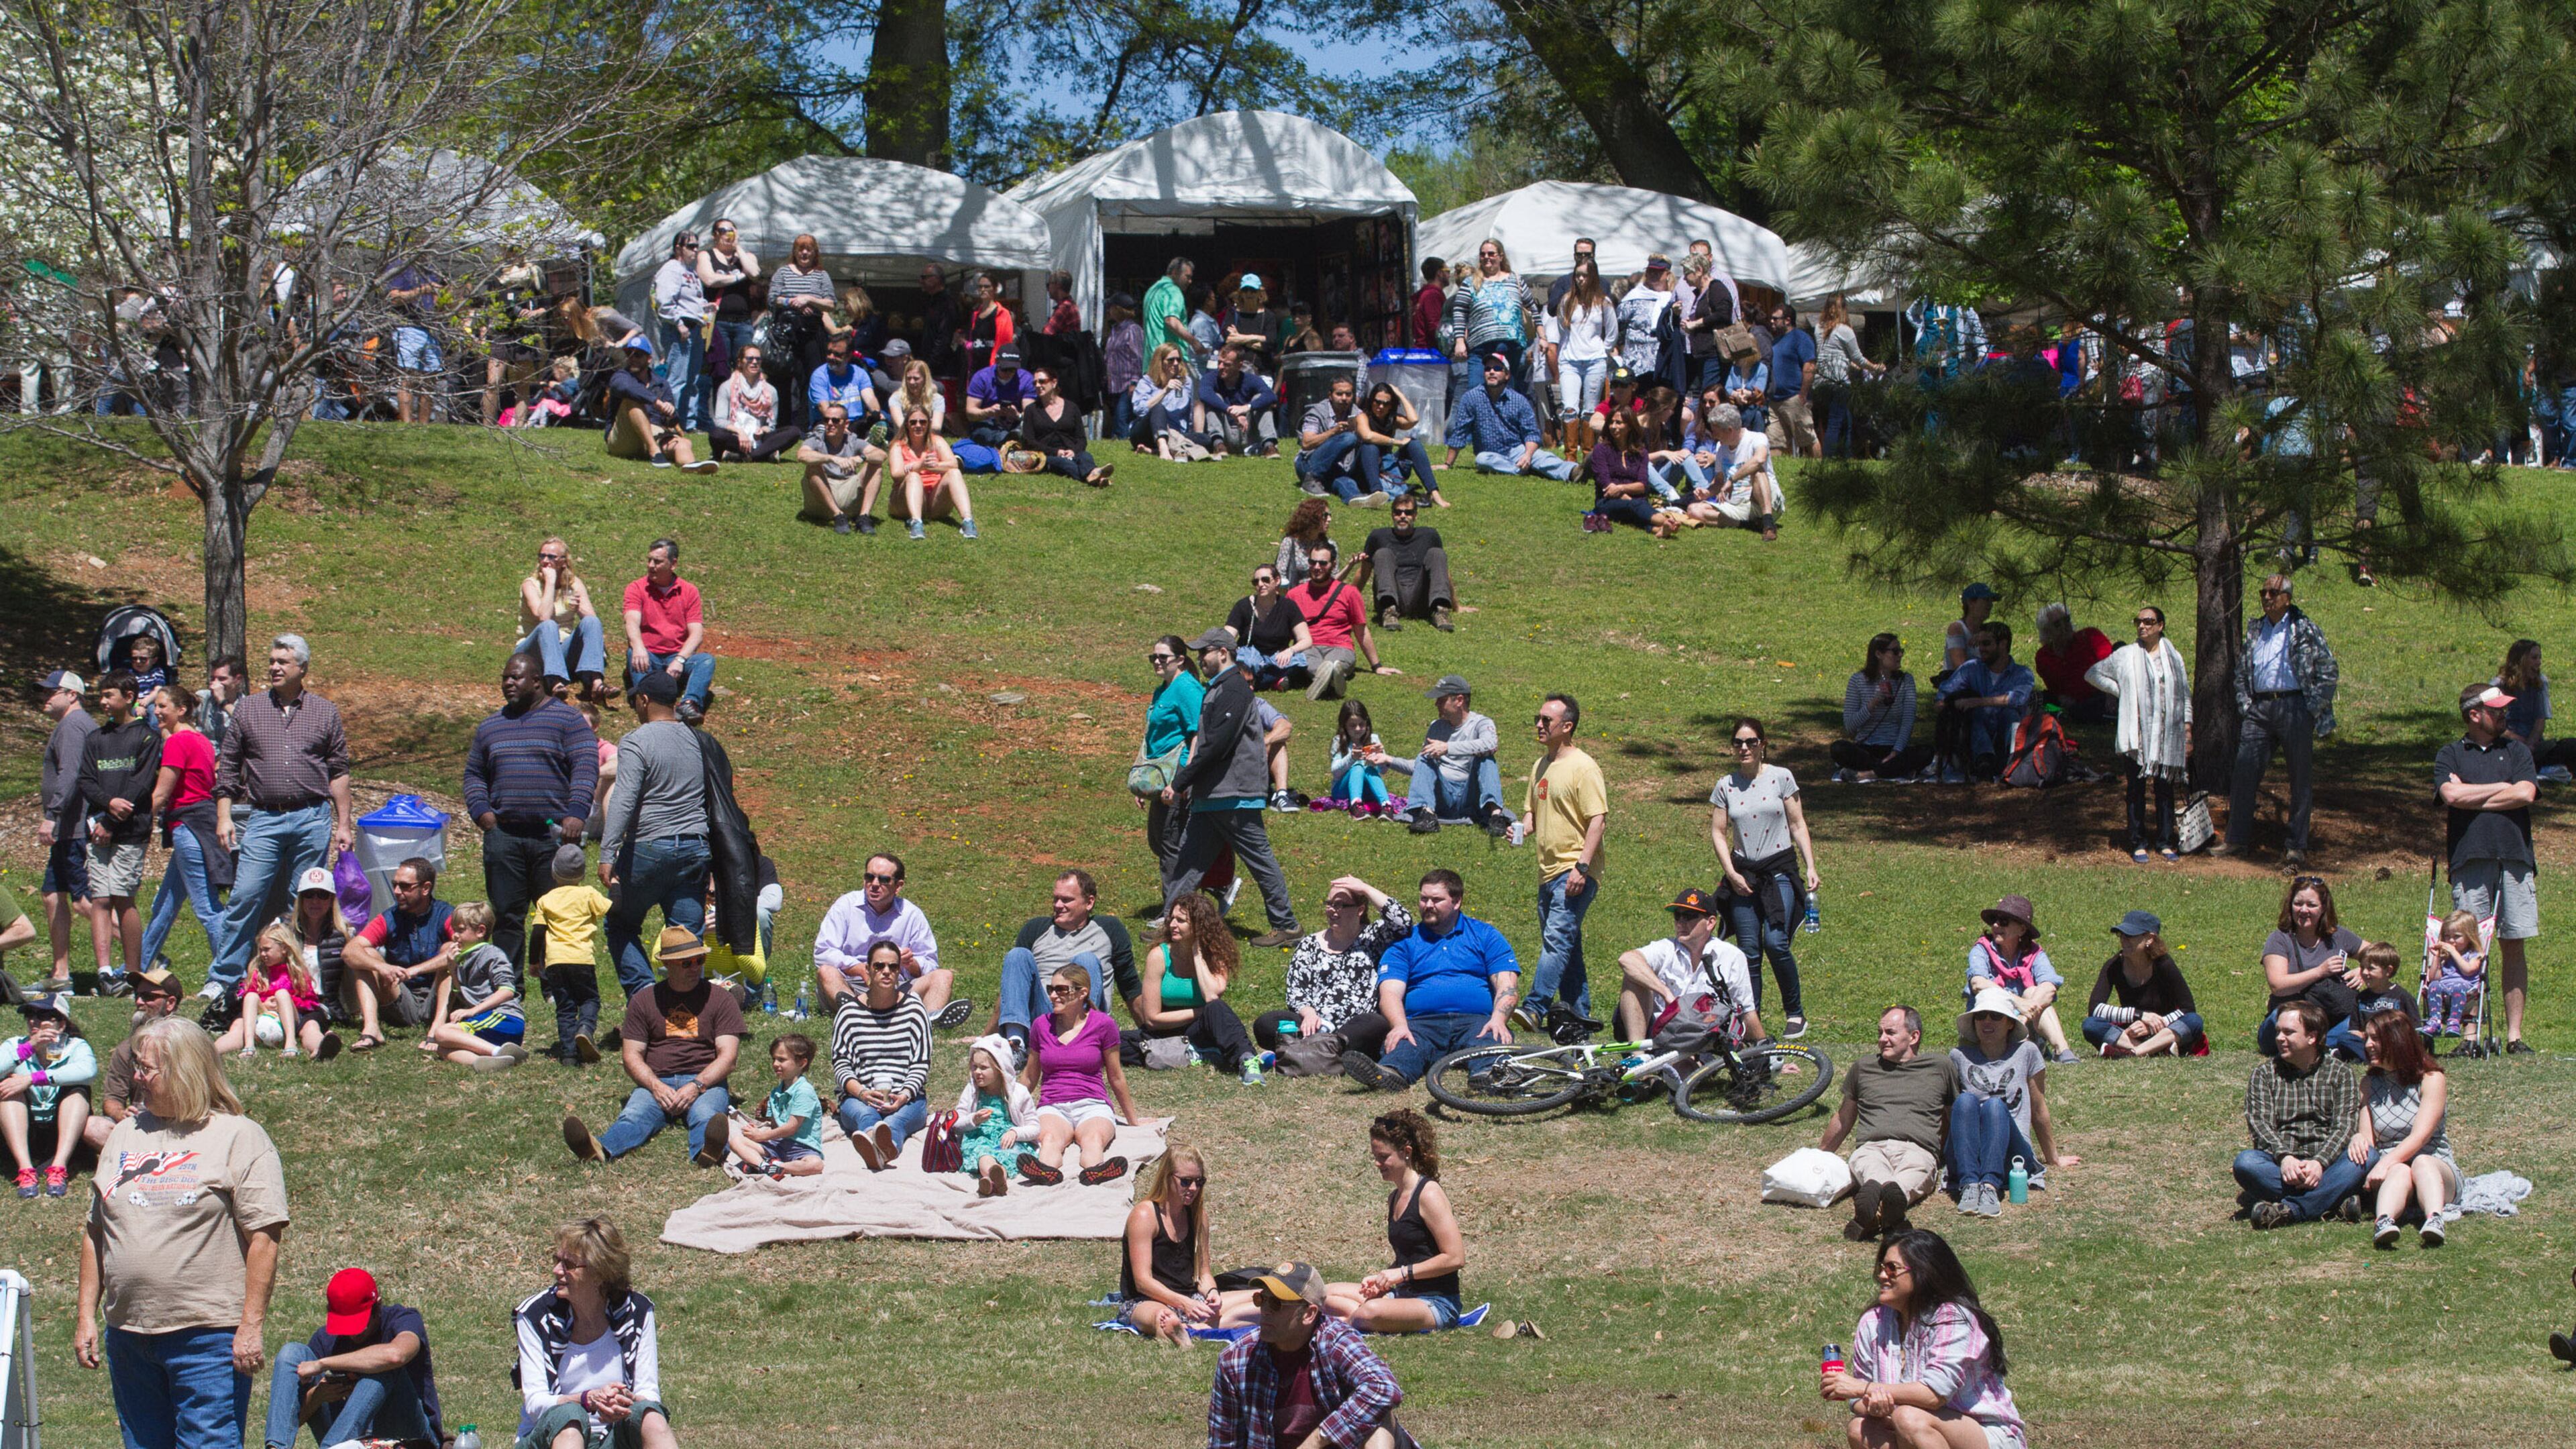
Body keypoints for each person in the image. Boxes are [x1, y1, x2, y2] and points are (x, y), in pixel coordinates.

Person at [75, 1017, 290, 1449]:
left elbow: (264, 1239)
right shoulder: (125, 1134)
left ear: (184, 1071)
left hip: (207, 1336)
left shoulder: (239, 1137)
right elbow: (96, 1231)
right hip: (128, 1334)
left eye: (146, 1069)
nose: (136, 1078)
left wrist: (250, 1327)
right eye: (136, 1066)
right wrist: (85, 1316)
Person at [210, 635, 354, 1004]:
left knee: (303, 902)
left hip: (312, 816)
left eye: (283, 662)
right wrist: (224, 816)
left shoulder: (324, 711)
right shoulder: (249, 709)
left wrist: (343, 824)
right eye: (272, 661)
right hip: (264, 818)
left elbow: (338, 771)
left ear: (302, 668)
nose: (274, 667)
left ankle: (297, 977)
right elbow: (228, 767)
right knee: (245, 895)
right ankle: (224, 977)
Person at [1821, 1230, 2027, 1449]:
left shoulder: (1953, 1317)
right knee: (1861, 1429)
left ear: (1922, 1272)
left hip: (1983, 1431)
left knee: (1908, 1418)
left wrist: (1864, 1388)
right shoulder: (1873, 1322)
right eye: (1881, 1267)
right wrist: (1874, 1405)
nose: (1882, 1275)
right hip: (1913, 1426)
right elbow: (1856, 1399)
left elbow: (1933, 1395)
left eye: (1892, 1268)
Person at [1159, 630, 1301, 948]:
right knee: (1187, 863)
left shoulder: (1234, 689)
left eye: (1205, 652)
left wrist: (1180, 782)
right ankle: (1171, 923)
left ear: (1223, 653)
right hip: (1213, 796)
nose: (1200, 659)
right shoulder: (1218, 688)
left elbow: (1217, 746)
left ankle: (1287, 926)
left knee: (1260, 861)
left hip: (1235, 796)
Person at [561, 926, 739, 1167]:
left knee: (706, 1115)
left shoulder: (721, 999)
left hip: (705, 1081)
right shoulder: (643, 1001)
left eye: (700, 960)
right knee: (634, 1117)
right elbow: (631, 1056)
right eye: (687, 963)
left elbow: (728, 1057)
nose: (695, 967)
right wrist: (655, 1086)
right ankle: (599, 1149)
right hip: (657, 1080)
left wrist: (697, 1085)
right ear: (667, 964)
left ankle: (708, 1152)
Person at [468, 653, 599, 974]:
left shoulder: (567, 720)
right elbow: (474, 774)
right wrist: (483, 814)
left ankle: (557, 984)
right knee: (506, 916)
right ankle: (508, 984)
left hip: (552, 837)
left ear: (537, 681)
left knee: (557, 916)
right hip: (504, 836)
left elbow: (585, 766)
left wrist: (576, 812)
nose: (508, 683)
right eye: (505, 678)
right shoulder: (491, 726)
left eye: (516, 677)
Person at [1344, 869, 1518, 1090]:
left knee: (1491, 1040)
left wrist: (1499, 1020)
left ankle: (1490, 1075)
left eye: (1436, 900)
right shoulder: (1405, 943)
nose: (1428, 905)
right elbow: (1389, 993)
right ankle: (1390, 1074)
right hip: (1423, 1023)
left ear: (1457, 902)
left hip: (1476, 1021)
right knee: (1405, 1043)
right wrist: (1399, 1026)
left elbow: (1507, 985)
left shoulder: (1485, 935)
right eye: (1423, 898)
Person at [2436, 681, 2539, 1053]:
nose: (2504, 714)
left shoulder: (2517, 750)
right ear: (2474, 715)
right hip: (2470, 858)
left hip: (2514, 859)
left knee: (2514, 944)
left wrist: (2472, 795)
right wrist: (2502, 787)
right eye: (2497, 711)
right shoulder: (2451, 754)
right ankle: (2469, 1037)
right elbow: (2450, 795)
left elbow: (2526, 792)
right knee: (2466, 947)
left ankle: (2514, 1036)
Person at [511, 1217, 675, 1449]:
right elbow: (535, 1404)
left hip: (613, 1438)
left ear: (600, 1272)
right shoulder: (535, 1315)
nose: (556, 1270)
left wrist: (620, 1402)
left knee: (652, 1418)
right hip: (549, 1438)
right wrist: (586, 1400)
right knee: (569, 1418)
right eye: (557, 1260)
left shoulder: (636, 1311)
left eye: (569, 1264)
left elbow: (648, 1393)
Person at [1212, 1262, 1414, 1449]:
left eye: (1276, 1304)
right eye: (1261, 1299)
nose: (1265, 1310)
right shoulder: (1235, 1360)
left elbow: (1383, 1388)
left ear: (1309, 1314)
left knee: (1379, 1419)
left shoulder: (1335, 1341)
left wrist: (1316, 1441)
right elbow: (1225, 1443)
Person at [600, 672, 710, 1002]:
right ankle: (685, 1011)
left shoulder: (637, 740)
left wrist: (607, 852)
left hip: (648, 846)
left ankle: (646, 998)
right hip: (695, 847)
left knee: (620, 924)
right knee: (686, 939)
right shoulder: (696, 739)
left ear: (644, 700)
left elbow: (624, 797)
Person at [2218, 574, 2339, 865]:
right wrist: (2246, 704)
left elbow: (2328, 669)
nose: (2267, 598)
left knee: (2300, 779)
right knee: (2244, 774)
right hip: (2259, 709)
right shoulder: (2256, 629)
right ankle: (2236, 840)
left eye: (2273, 593)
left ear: (2287, 598)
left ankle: (2296, 845)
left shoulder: (2305, 628)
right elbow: (2242, 671)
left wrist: (2312, 707)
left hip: (2294, 706)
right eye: (2263, 593)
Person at [1314, 1109, 1466, 1333]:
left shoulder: (1429, 1194)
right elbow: (1414, 1254)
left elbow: (1455, 1258)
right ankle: (1348, 1317)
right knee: (1321, 1293)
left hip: (1437, 1303)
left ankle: (1342, 1322)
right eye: (1375, 1157)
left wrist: (1401, 1274)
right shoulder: (1394, 1197)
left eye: (1384, 1157)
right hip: (1403, 1294)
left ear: (1406, 1152)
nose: (1377, 1163)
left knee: (1368, 1312)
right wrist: (1380, 1281)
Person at [1713, 717, 1817, 1038]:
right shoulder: (1725, 785)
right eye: (1738, 743)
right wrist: (1731, 874)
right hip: (1743, 873)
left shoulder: (1781, 778)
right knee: (1749, 951)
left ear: (1763, 744)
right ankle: (1751, 1022)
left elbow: (1798, 824)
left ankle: (1795, 1013)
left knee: (1775, 942)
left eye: (1751, 742)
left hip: (1779, 870)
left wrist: (1810, 866)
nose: (1744, 748)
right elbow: (1718, 833)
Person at [264, 1267, 443, 1449]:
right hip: (349, 1438)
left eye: (359, 1323)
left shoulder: (404, 1319)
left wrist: (322, 1364)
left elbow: (397, 1355)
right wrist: (318, 1396)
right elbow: (294, 1420)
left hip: (410, 1437)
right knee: (291, 1353)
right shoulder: (325, 1340)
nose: (353, 1334)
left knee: (383, 1366)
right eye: (346, 1325)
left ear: (378, 1305)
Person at [1819, 1006, 1957, 1240]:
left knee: (1913, 1172)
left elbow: (1954, 1116)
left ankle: (1876, 1212)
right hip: (1872, 1147)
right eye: (1880, 1033)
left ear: (1914, 1037)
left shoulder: (1940, 1067)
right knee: (1872, 1172)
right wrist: (1820, 1156)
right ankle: (1891, 1209)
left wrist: (1962, 1165)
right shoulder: (1864, 1067)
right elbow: (1844, 1117)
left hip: (1919, 1149)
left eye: (1890, 1032)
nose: (1882, 1039)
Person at [2237, 1000, 2370, 1228]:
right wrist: (2285, 1157)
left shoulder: (2340, 1073)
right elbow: (2260, 1124)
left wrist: (2320, 1162)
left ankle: (2290, 1210)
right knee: (2246, 1163)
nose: (2279, 1038)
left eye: (2288, 1032)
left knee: (2369, 1158)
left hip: (2329, 1164)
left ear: (2312, 1037)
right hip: (2281, 1165)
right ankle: (2333, 1200)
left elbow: (2345, 1126)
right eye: (2278, 1032)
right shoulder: (2264, 1074)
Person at [1947, 987, 2076, 1218]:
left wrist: (2053, 1158)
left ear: (2009, 1023)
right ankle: (1969, 1185)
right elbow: (1952, 1112)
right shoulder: (1958, 1056)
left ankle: (1989, 1186)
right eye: (1981, 1016)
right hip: (1970, 1153)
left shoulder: (2027, 1052)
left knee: (1995, 1106)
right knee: (1965, 1101)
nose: (1987, 1021)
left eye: (1996, 1016)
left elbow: (2038, 1107)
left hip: (2012, 1152)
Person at [64, 670, 158, 983]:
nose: (103, 701)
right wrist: (106, 807)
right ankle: (104, 971)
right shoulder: (96, 738)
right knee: (100, 898)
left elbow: (141, 784)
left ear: (129, 697)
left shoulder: (147, 737)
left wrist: (112, 820)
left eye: (109, 695)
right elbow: (86, 780)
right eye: (101, 696)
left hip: (130, 830)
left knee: (122, 897)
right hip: (98, 831)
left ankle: (132, 972)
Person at [1254, 876, 1410, 1063]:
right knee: (1265, 1023)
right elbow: (1296, 992)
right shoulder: (1310, 944)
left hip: (1354, 1027)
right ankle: (1326, 1053)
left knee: (1376, 1024)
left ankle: (1305, 1051)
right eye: (1329, 904)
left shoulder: (1374, 936)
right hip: (1313, 1025)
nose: (1332, 910)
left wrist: (1365, 889)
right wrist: (1309, 1014)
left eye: (1341, 905)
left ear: (1360, 910)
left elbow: (1403, 922)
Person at [1020, 961, 1142, 1186]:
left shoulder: (1103, 1025)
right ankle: (1045, 1172)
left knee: (1093, 1140)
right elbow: (1029, 1076)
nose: (1053, 996)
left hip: (1093, 1104)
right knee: (1050, 1140)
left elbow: (1116, 1076)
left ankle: (1095, 1172)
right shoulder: (1041, 1025)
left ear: (1082, 993)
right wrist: (1011, 1110)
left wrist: (1133, 1121)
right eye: (1051, 989)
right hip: (1053, 1105)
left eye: (1061, 990)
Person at [2086, 605, 2192, 862]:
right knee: (2136, 788)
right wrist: (2122, 690)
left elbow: (2184, 694)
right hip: (2138, 734)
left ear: (2160, 626)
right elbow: (2093, 674)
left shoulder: (2174, 657)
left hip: (2167, 734)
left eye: (2148, 621)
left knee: (2165, 787)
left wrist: (2188, 728)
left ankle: (2165, 841)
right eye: (2139, 621)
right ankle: (2137, 842)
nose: (2142, 626)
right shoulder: (2126, 655)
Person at [136, 684, 226, 982]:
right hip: (199, 825)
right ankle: (137, 969)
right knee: (164, 906)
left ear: (182, 710)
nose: (157, 711)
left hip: (188, 827)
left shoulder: (177, 742)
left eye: (163, 706)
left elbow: (161, 794)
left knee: (207, 909)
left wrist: (132, 825)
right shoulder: (201, 741)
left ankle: (228, 976)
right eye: (156, 706)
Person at [1124, 890, 1265, 1083]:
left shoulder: (1216, 955)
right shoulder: (1159, 956)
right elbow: (1152, 1019)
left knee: (1216, 1008)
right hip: (1165, 1029)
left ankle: (1247, 1060)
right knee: (1115, 1043)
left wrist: (1197, 952)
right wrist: (1199, 1012)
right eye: (1172, 919)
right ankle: (1198, 1052)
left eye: (1181, 921)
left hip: (1201, 1029)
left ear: (1199, 926)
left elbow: (1212, 996)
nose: (1172, 925)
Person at [1120, 1142, 1256, 1340]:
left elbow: (1204, 1274)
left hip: (1192, 1300)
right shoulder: (1144, 1215)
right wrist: (1183, 1303)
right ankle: (1187, 1328)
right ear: (1167, 1178)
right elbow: (1142, 1282)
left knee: (1263, 1297)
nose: (1193, 1188)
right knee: (1162, 1317)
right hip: (1148, 1301)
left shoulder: (1199, 1217)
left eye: (1199, 1182)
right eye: (1186, 1182)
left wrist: (1213, 1293)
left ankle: (1195, 1327)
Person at [812, 851, 967, 1023]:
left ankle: (929, 1021)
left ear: (898, 886)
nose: (874, 884)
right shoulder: (845, 906)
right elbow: (823, 952)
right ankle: (855, 1014)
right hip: (852, 985)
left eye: (884, 880)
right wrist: (860, 969)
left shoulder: (911, 915)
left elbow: (931, 964)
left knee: (943, 976)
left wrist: (910, 963)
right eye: (869, 877)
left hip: (896, 989)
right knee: (827, 972)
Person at [815, 941, 932, 1167]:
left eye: (893, 967)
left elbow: (921, 1063)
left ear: (899, 972)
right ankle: (874, 1143)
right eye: (879, 966)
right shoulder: (849, 1013)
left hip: (907, 1098)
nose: (886, 972)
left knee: (895, 1123)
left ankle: (883, 1150)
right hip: (860, 1097)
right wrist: (862, 1093)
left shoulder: (915, 1010)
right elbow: (841, 1065)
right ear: (867, 970)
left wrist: (904, 1095)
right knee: (866, 1116)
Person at [2355, 1010, 2459, 1248]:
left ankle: (2435, 1219)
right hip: (2391, 1173)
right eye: (2367, 1039)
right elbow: (2368, 1139)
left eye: (2376, 1039)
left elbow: (2421, 1137)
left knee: (2421, 1162)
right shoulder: (2369, 1084)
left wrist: (2385, 1163)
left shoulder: (2431, 1079)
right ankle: (2384, 1221)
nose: (2368, 1045)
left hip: (2435, 1164)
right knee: (2400, 1170)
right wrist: (2358, 1140)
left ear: (2397, 1040)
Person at [1615, 888, 1760, 1043]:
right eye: (1677, 916)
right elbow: (1627, 959)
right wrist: (1665, 993)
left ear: (1710, 923)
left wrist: (1764, 1048)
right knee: (1634, 978)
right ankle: (1638, 1053)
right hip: (1656, 1032)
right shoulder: (1666, 948)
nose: (1681, 923)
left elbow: (1746, 1012)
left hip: (1699, 1039)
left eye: (1689, 916)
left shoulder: (1731, 956)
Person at [37, 669, 99, 993]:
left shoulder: (74, 725)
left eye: (52, 691)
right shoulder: (70, 725)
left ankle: (147, 956)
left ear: (72, 695)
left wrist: (53, 814)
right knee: (52, 895)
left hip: (73, 828)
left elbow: (71, 773)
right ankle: (61, 974)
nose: (45, 697)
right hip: (65, 830)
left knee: (85, 902)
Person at [2258, 875, 2366, 1057]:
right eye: (2298, 904)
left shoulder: (2338, 935)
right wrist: (2320, 971)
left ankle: (2322, 1045)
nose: (2303, 910)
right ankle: (2327, 1046)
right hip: (2289, 1017)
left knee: (2365, 1013)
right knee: (2286, 1018)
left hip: (2330, 1018)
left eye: (2311, 905)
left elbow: (2381, 955)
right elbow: (2278, 986)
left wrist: (2363, 970)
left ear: (2323, 908)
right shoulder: (2279, 939)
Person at [1962, 894, 2076, 1061]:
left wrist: (2024, 1016)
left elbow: (2050, 987)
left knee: (2033, 992)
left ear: (2022, 929)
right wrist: (2017, 1002)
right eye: (1994, 921)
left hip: (2023, 1026)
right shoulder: (1981, 950)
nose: (1996, 925)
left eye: (2004, 921)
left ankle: (2062, 1050)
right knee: (1994, 996)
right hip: (1990, 1027)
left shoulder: (2035, 953)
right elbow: (1978, 983)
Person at [80, 966, 182, 1153]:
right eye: (137, 995)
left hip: (180, 1125)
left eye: (148, 997)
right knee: (92, 1126)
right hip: (140, 1124)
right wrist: (121, 1113)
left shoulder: (189, 1047)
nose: (139, 1002)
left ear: (170, 1003)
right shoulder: (126, 1049)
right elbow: (112, 1099)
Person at [1, 991, 94, 1196]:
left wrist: (33, 1078)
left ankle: (58, 1167)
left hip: (61, 1129)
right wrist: (29, 1048)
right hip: (24, 1128)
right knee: (8, 1090)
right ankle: (25, 1170)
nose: (34, 1021)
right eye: (30, 1015)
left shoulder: (75, 1047)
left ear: (61, 1025)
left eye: (43, 1015)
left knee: (77, 1091)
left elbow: (89, 1071)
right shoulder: (15, 1045)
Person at [1397, 676, 1510, 837]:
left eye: (1441, 700)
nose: (1436, 704)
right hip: (1444, 795)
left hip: (1470, 794)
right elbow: (1421, 768)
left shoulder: (1481, 723)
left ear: (1459, 700)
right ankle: (1427, 815)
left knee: (1487, 758)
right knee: (1425, 757)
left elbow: (1491, 744)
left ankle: (1496, 816)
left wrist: (1448, 748)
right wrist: (1389, 761)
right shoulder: (1436, 727)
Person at [417, 901, 526, 1069]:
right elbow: (462, 993)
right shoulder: (464, 957)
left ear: (480, 931)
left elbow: (507, 991)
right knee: (442, 1047)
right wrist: (452, 967)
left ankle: (498, 1052)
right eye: (454, 930)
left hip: (504, 1017)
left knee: (442, 1032)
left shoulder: (491, 954)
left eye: (460, 930)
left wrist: (472, 1011)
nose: (455, 935)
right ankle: (487, 1062)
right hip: (485, 1023)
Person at [533, 844, 615, 1064]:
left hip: (555, 962)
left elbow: (538, 933)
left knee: (565, 1007)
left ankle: (569, 1055)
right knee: (590, 998)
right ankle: (585, 1028)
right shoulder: (588, 894)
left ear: (553, 872)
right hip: (582, 959)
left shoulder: (546, 899)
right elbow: (613, 910)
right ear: (582, 874)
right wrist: (615, 886)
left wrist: (534, 963)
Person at [214, 922, 343, 1061]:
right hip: (261, 1015)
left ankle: (312, 1047)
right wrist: (265, 1004)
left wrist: (285, 1003)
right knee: (243, 1014)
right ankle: (219, 1050)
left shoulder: (296, 972)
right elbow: (248, 995)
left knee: (308, 1025)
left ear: (284, 949)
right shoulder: (258, 971)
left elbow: (309, 1001)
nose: (262, 954)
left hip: (293, 1018)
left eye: (267, 950)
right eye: (260, 950)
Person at [1138, 640, 1208, 892]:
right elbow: (1153, 737)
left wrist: (1185, 778)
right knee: (1158, 839)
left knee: (1170, 840)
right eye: (1153, 657)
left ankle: (1174, 906)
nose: (1157, 661)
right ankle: (1214, 885)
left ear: (1180, 660)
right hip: (1159, 772)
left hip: (1177, 770)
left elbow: (1198, 733)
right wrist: (1144, 781)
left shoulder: (1187, 688)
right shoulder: (1163, 690)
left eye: (1163, 657)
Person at [2084, 912, 2202, 1057]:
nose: (2123, 940)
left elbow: (2188, 1009)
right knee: (2091, 1025)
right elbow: (2095, 1009)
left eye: (2130, 935)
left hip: (2165, 1031)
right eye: (2121, 935)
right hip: (2132, 1032)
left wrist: (2152, 1027)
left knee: (2194, 1021)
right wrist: (2139, 1016)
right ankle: (2157, 1051)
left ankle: (2132, 1053)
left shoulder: (2164, 964)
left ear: (2150, 938)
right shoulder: (2113, 965)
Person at [619, 539, 714, 719]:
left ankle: (689, 703)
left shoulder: (689, 591)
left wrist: (680, 659)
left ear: (673, 564)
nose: (651, 566)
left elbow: (696, 633)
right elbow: (631, 621)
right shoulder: (636, 588)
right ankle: (647, 701)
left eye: (657, 562)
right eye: (649, 560)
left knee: (706, 661)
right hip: (648, 656)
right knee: (633, 654)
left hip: (676, 656)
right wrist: (638, 647)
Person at [1290, 541, 1395, 702]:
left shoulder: (1349, 593)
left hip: (1340, 647)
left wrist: (1377, 666)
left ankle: (1326, 680)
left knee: (1334, 664)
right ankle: (1334, 683)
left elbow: (1361, 630)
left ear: (1333, 565)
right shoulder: (1295, 595)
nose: (1317, 567)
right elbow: (1285, 630)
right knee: (1310, 662)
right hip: (1308, 646)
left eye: (1323, 563)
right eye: (1313, 562)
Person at [1443, 352, 1578, 478]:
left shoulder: (1519, 400)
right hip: (1490, 454)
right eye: (1488, 369)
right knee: (1482, 460)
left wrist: (1527, 455)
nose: (1491, 372)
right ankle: (1521, 469)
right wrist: (1447, 464)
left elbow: (1531, 434)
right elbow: (1459, 433)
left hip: (1517, 450)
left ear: (1507, 375)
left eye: (1497, 368)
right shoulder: (1471, 398)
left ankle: (1574, 472)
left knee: (1542, 457)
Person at [1935, 624, 2035, 782]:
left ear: (2003, 644)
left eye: (1986, 644)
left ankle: (2012, 763)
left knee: (2010, 714)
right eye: (1979, 644)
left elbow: (2018, 699)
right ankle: (1984, 764)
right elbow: (1943, 694)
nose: (1981, 649)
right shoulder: (1972, 668)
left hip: (2006, 738)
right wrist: (1948, 705)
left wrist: (1978, 702)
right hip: (1974, 743)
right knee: (1975, 715)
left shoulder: (2022, 673)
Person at [720, 1032, 824, 1179]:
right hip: (778, 1146)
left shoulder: (804, 1091)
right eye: (774, 1059)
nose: (775, 1064)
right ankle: (765, 1166)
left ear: (802, 1063)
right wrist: (757, 1132)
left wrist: (762, 1135)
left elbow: (792, 1127)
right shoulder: (776, 1092)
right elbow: (775, 1127)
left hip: (802, 1148)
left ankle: (769, 1166)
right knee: (736, 1141)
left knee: (816, 1165)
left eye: (782, 1060)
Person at [602, 339, 715, 472]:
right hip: (624, 438)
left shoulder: (662, 384)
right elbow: (625, 388)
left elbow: (672, 421)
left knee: (683, 444)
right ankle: (654, 451)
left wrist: (670, 412)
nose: (633, 359)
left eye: (638, 355)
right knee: (632, 401)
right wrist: (656, 402)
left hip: (654, 433)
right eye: (629, 354)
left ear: (649, 359)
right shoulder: (621, 376)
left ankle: (692, 467)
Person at [516, 539, 610, 699]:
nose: (545, 561)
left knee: (592, 622)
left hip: (561, 651)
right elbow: (543, 617)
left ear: (564, 562)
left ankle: (596, 683)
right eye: (542, 556)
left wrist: (578, 607)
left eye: (551, 557)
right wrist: (551, 582)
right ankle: (555, 682)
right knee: (549, 626)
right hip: (531, 653)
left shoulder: (574, 584)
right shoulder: (530, 585)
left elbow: (592, 624)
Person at [1674, 403, 1781, 539]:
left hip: (1762, 501)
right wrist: (1708, 492)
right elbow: (1719, 482)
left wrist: (1732, 479)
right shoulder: (1721, 448)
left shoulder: (1757, 438)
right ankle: (1748, 524)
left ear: (1730, 430)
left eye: (1716, 432)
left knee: (1758, 471)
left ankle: (1768, 523)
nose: (1714, 436)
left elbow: (1759, 460)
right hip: (1737, 505)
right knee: (1693, 510)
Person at [1834, 635, 1930, 782]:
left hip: (1894, 747)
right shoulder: (1857, 681)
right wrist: (1873, 704)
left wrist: (1896, 752)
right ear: (1879, 654)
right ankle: (1890, 769)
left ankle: (1867, 774)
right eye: (1895, 651)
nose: (1900, 655)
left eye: (1901, 651)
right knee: (1838, 748)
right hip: (1866, 748)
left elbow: (1908, 722)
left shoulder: (1906, 680)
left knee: (1926, 752)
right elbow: (1850, 726)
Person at [954, 1034, 1038, 1194]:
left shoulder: (1018, 1093)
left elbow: (1035, 1127)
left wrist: (1016, 1132)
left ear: (1000, 1068)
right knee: (983, 1154)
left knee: (1007, 1156)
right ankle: (993, 1178)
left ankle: (996, 1180)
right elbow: (956, 1123)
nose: (977, 1072)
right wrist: (973, 1120)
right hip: (980, 1138)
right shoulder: (972, 1091)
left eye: (983, 1068)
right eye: (974, 1067)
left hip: (1008, 1139)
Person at [1550, 260, 1617, 451]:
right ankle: (1570, 455)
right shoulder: (1566, 301)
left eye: (1585, 275)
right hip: (1570, 361)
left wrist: (1602, 350)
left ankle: (1588, 454)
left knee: (1590, 409)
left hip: (1595, 360)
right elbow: (1563, 330)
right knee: (1570, 408)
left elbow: (1612, 332)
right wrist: (1568, 350)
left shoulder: (1604, 302)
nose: (1580, 279)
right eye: (1577, 275)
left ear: (1593, 277)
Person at [887, 407, 979, 541]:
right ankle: (916, 522)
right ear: (907, 424)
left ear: (929, 423)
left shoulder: (937, 441)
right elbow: (896, 474)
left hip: (934, 502)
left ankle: (968, 521)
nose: (918, 426)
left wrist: (934, 466)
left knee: (954, 473)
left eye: (923, 422)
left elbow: (954, 464)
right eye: (913, 422)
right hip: (904, 502)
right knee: (913, 476)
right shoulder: (897, 446)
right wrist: (919, 466)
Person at [649, 233, 709, 432]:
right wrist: (679, 324)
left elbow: (692, 300)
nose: (695, 250)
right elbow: (664, 302)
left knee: (692, 380)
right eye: (691, 246)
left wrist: (706, 307)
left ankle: (688, 424)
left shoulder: (691, 271)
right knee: (677, 380)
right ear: (678, 248)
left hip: (695, 328)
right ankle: (669, 422)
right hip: (679, 330)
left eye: (697, 246)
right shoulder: (671, 269)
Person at [1225, 563, 1316, 693]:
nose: (1260, 584)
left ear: (1277, 580)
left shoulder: (1289, 607)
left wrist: (1290, 651)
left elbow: (1306, 640)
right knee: (1246, 663)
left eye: (1265, 580)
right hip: (1250, 658)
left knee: (1300, 661)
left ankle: (1258, 681)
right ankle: (1275, 680)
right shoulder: (1243, 606)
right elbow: (1227, 636)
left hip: (1277, 658)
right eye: (1256, 582)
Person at [1812, 296, 1883, 460]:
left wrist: (1851, 364)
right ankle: (1830, 457)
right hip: (1839, 381)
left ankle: (1846, 455)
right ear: (1844, 309)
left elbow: (1834, 353)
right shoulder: (1845, 330)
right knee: (1836, 422)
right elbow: (1858, 358)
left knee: (1844, 419)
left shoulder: (1818, 328)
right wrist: (1875, 367)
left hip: (1821, 381)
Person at [1020, 364, 1114, 485]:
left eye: (1042, 381)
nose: (1038, 385)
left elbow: (1081, 439)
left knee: (1086, 456)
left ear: (1054, 383)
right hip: (1045, 455)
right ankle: (1096, 477)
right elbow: (1029, 441)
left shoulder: (1072, 408)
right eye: (1035, 383)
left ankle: (1094, 474)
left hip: (1071, 452)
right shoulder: (1031, 410)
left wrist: (1073, 451)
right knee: (1065, 464)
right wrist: (1055, 452)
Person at [2493, 639, 2576, 773]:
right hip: (2507, 743)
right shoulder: (2498, 685)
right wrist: (2521, 743)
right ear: (2521, 660)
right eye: (2534, 658)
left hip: (2534, 745)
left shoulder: (2540, 683)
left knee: (2571, 746)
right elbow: (2494, 725)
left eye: (2539, 658)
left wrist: (2529, 745)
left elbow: (2539, 723)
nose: (2539, 662)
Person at [709, 343, 800, 464]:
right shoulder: (727, 387)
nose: (754, 362)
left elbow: (771, 426)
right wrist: (740, 432)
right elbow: (720, 421)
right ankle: (764, 454)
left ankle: (748, 456)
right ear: (740, 362)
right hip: (735, 436)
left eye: (758, 359)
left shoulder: (770, 391)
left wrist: (762, 431)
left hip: (759, 439)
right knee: (716, 434)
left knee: (794, 432)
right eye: (750, 359)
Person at [697, 217, 761, 384]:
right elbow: (710, 280)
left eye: (731, 230)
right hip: (718, 322)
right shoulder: (706, 255)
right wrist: (739, 277)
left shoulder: (746, 256)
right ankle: (721, 400)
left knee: (747, 368)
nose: (728, 234)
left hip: (743, 323)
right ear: (715, 235)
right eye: (723, 231)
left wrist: (737, 247)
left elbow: (754, 273)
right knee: (720, 370)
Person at [2033, 604, 2115, 723]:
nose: (2064, 627)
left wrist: (2110, 694)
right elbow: (2056, 690)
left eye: (2066, 620)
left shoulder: (2090, 636)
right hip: (2079, 703)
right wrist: (2062, 698)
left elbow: (2111, 665)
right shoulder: (2043, 657)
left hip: (2103, 692)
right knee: (2039, 698)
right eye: (2057, 624)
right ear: (2047, 631)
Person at [1295, 374, 1373, 499]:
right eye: (1339, 394)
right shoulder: (1317, 412)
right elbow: (1306, 443)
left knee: (1346, 482)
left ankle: (1356, 498)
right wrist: (1333, 432)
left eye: (1348, 394)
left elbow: (1368, 435)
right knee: (1348, 438)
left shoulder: (1356, 412)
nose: (1344, 398)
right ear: (1330, 395)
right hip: (1308, 463)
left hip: (1335, 466)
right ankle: (1311, 479)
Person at [1195, 344, 1281, 457]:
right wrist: (1229, 410)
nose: (1220, 367)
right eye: (1219, 362)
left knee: (1260, 399)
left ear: (1239, 365)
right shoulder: (1211, 378)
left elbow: (1271, 396)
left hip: (1247, 432)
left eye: (1227, 365)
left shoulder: (1250, 379)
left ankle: (1269, 446)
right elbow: (1204, 395)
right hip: (1224, 433)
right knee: (1215, 398)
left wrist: (1247, 408)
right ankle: (1218, 445)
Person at [1585, 409, 1662, 530]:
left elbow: (1643, 486)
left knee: (1635, 510)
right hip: (1608, 501)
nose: (1613, 426)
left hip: (1637, 502)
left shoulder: (1641, 453)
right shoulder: (1601, 450)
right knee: (1635, 507)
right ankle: (1664, 522)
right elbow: (1605, 484)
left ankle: (1657, 530)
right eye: (1611, 422)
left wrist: (1621, 488)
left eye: (1619, 423)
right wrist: (1628, 498)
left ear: (1630, 426)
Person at [2423, 908, 2487, 1049]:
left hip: (2466, 989)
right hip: (2445, 988)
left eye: (2457, 937)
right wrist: (2437, 957)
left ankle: (2454, 1021)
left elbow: (2468, 970)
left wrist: (2453, 952)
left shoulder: (2474, 954)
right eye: (2447, 937)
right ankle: (2435, 1020)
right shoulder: (2445, 955)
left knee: (2458, 987)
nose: (2451, 941)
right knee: (2433, 985)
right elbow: (2434, 977)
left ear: (2469, 937)